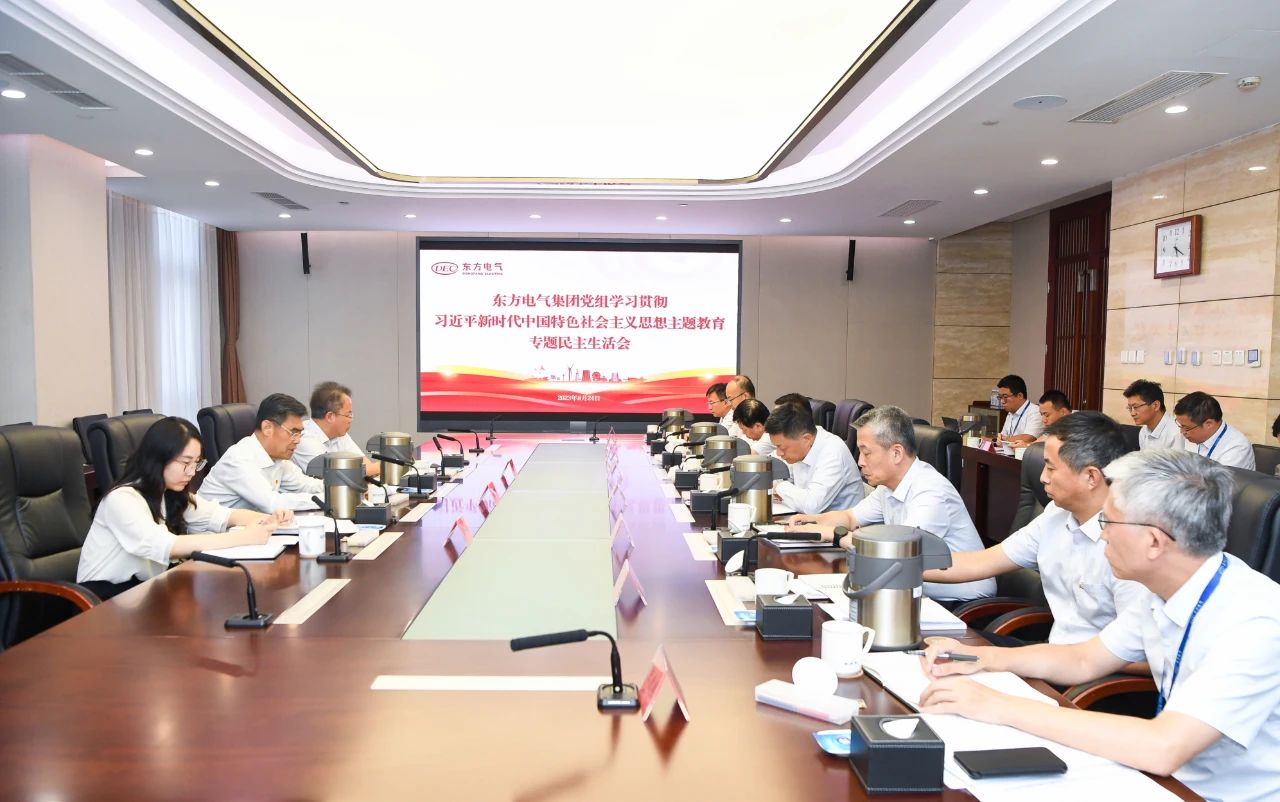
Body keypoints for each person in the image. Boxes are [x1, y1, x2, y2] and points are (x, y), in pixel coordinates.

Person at [919, 450, 1280, 802]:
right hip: (1164, 781)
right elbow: (1084, 660)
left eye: (1108, 522)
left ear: (1154, 541)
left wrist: (997, 705)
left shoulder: (1255, 622)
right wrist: (980, 658)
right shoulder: (1162, 588)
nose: (1101, 534)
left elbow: (1163, 747)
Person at [922, 411, 1146, 643]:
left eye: (1051, 468)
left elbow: (1138, 650)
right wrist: (905, 567)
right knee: (935, 647)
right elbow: (982, 561)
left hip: (1095, 664)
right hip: (1053, 653)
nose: (1042, 478)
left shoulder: (1132, 544)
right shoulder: (1055, 515)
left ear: (1091, 476)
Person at [789, 406, 994, 603]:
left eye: (866, 452)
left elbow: (898, 553)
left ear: (896, 453)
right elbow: (851, 518)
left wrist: (835, 534)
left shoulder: (931, 491)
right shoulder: (887, 488)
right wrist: (811, 522)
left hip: (960, 603)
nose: (860, 461)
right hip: (911, 591)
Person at [77, 417, 289, 600]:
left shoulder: (171, 494)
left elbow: (226, 515)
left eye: (197, 463)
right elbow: (169, 546)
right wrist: (244, 537)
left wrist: (267, 520)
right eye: (185, 462)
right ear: (158, 458)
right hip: (104, 597)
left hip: (145, 591)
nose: (191, 472)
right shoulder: (122, 499)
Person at [199, 393, 326, 511]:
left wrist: (336, 490)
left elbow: (307, 485)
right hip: (216, 528)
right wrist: (328, 500)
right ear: (267, 428)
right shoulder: (238, 459)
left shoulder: (277, 458)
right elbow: (272, 503)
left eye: (300, 434)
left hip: (248, 524)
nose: (298, 441)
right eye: (293, 433)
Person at [765, 401, 862, 513]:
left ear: (806, 439)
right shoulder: (801, 445)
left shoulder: (832, 452)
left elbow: (811, 506)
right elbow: (785, 478)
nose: (778, 453)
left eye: (781, 447)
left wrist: (779, 487)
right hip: (810, 518)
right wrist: (781, 490)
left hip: (839, 523)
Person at [292, 381, 379, 476]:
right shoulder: (304, 439)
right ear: (330, 417)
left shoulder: (339, 434)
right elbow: (337, 476)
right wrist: (386, 465)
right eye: (348, 414)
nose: (351, 419)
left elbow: (365, 465)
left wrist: (375, 468)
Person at [1173, 391, 1254, 470]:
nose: (1182, 432)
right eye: (1181, 425)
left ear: (1209, 424)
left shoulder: (1237, 447)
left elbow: (1221, 478)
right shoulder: (1190, 436)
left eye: (1187, 428)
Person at [1124, 379, 1184, 450]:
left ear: (1156, 405)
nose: (1132, 413)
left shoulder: (1177, 432)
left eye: (1136, 407)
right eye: (1130, 408)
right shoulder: (1143, 431)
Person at [995, 374, 1044, 449]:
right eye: (1000, 397)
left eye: (1005, 397)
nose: (1002, 401)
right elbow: (1002, 438)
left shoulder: (1035, 412)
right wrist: (1000, 439)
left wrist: (1005, 440)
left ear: (1020, 396)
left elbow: (1028, 438)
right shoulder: (1010, 413)